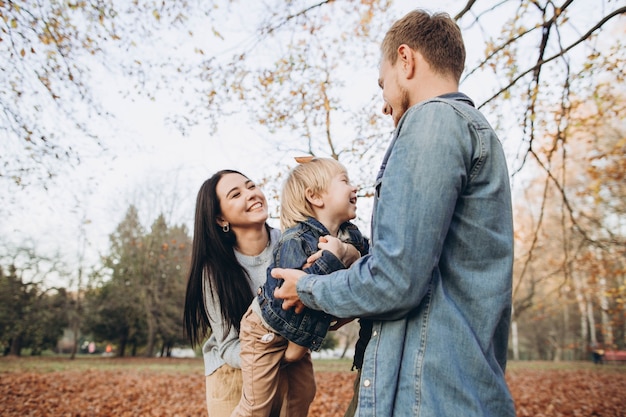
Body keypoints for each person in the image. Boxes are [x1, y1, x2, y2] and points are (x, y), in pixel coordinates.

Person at [272, 9, 516, 417]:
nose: (385, 104)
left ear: (407, 60)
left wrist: (309, 290)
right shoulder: (471, 128)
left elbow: (397, 282)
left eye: (382, 83)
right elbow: (427, 270)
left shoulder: (432, 120)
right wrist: (359, 260)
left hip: (431, 398)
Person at [231, 157, 369, 417]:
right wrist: (332, 259)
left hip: (296, 335)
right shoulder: (295, 239)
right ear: (315, 197)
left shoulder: (350, 235)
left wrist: (348, 251)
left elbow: (371, 262)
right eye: (345, 181)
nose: (354, 188)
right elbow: (292, 293)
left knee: (302, 395)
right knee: (256, 408)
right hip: (264, 333)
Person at [183, 170, 287, 417]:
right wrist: (274, 355)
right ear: (220, 218)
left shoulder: (289, 243)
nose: (251, 194)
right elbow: (229, 343)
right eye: (236, 194)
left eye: (251, 186)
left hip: (287, 369)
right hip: (233, 373)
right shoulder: (213, 269)